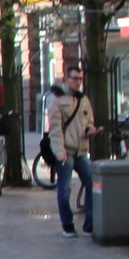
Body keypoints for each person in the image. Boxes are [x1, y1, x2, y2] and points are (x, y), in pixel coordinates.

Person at [49, 67, 97, 238]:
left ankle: (89, 224)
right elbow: (55, 129)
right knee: (65, 189)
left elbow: (89, 120)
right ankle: (67, 225)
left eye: (80, 78)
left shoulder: (83, 99)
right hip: (66, 151)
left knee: (93, 184)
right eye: (75, 78)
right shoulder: (57, 100)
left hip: (81, 150)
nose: (78, 81)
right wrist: (59, 151)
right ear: (67, 79)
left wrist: (90, 128)